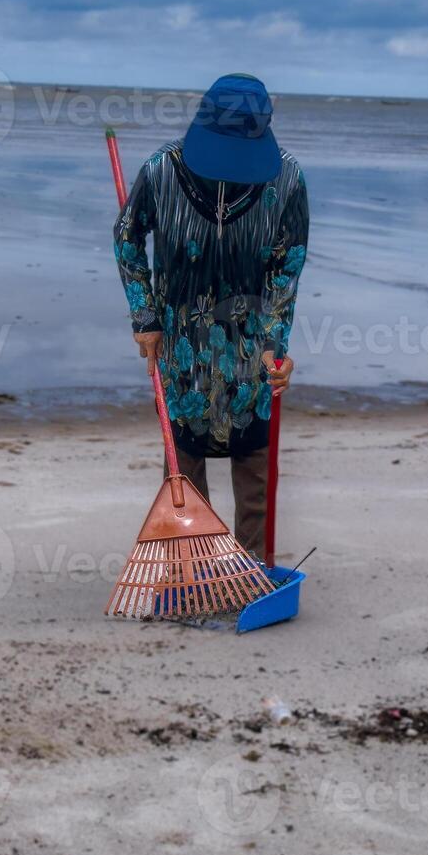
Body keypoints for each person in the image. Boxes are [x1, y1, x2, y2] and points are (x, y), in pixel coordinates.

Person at [112, 74, 308, 561]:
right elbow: (127, 239)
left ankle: (251, 569)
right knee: (183, 465)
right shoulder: (162, 171)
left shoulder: (286, 179)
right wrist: (146, 318)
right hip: (182, 341)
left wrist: (275, 344)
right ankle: (188, 564)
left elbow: (288, 264)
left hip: (250, 342)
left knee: (255, 467)